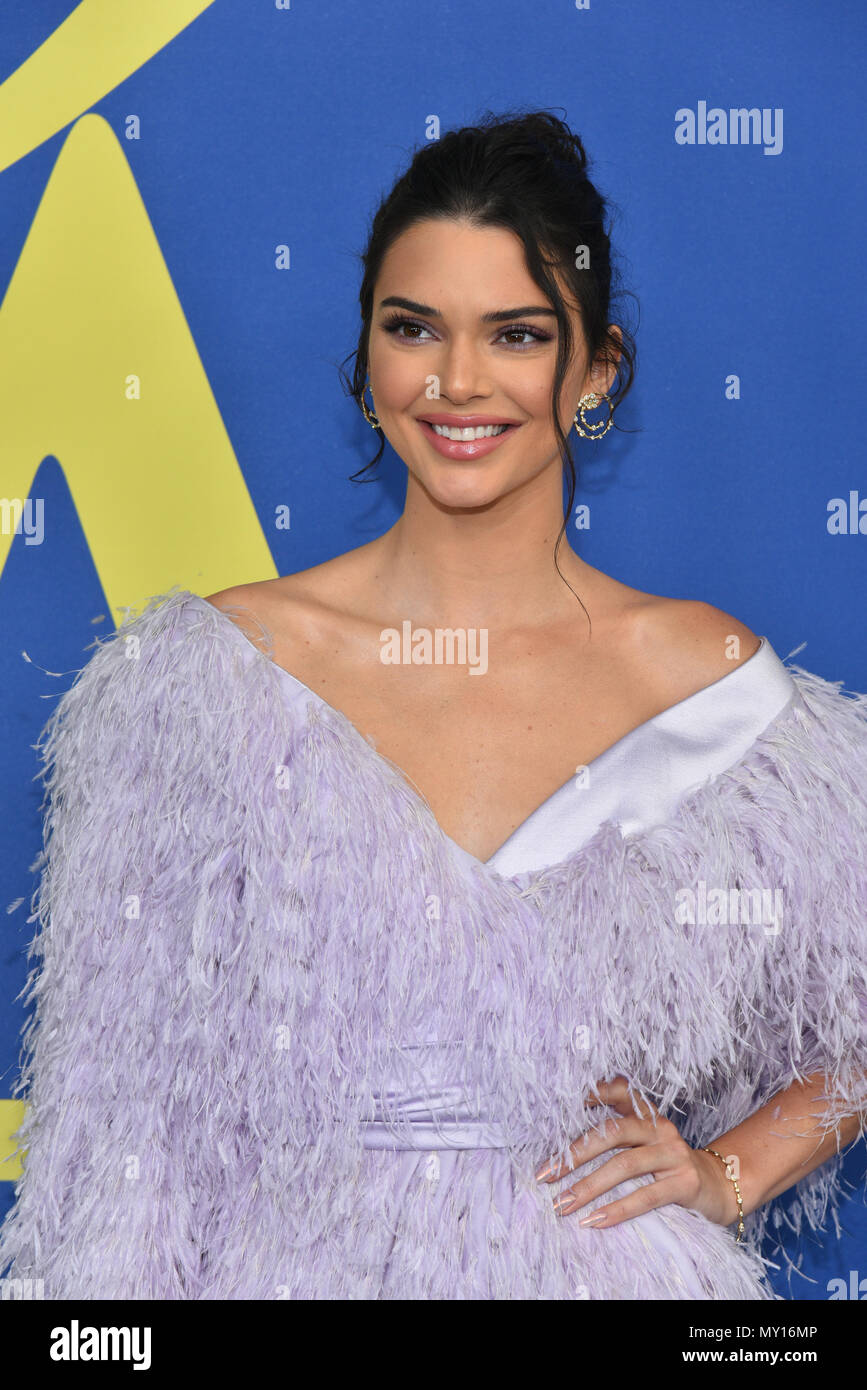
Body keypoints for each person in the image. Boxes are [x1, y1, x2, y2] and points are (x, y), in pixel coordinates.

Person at [1, 109, 865, 1300]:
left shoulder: (709, 687)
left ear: (596, 367)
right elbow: (117, 1130)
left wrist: (723, 1174)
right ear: (368, 362)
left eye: (515, 334)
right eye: (415, 330)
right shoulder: (206, 684)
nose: (459, 382)